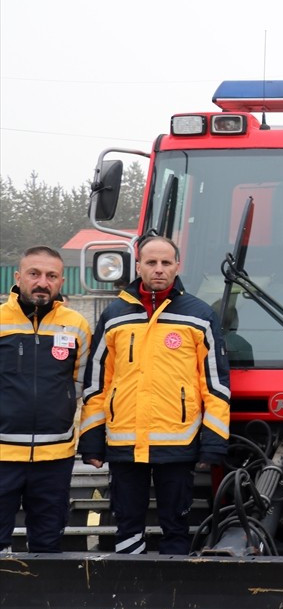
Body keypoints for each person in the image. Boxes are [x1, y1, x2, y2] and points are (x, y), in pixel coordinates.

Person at [80, 236, 230, 555]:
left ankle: (173, 590)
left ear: (178, 266)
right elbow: (96, 384)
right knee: (127, 523)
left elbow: (215, 384)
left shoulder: (200, 315)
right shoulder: (114, 315)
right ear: (138, 266)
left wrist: (214, 440)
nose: (158, 269)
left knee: (176, 525)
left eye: (165, 263)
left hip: (177, 443)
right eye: (151, 263)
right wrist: (92, 439)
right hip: (124, 443)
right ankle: (130, 590)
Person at [0, 246, 92, 553]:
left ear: (61, 281)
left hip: (55, 457)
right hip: (2, 457)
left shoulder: (77, 325)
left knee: (48, 543)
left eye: (51, 276)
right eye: (34, 274)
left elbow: (81, 383)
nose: (43, 282)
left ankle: (41, 602)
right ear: (18, 277)